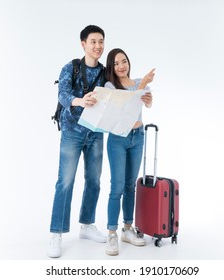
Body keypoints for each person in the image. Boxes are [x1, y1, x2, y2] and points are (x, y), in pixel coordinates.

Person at [48, 25, 107, 258]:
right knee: (65, 182)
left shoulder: (105, 72)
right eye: (93, 41)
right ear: (83, 43)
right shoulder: (70, 67)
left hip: (96, 132)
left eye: (101, 41)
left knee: (94, 180)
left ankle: (87, 225)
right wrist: (80, 101)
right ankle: (56, 233)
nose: (98, 46)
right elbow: (62, 95)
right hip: (72, 132)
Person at [104, 48, 155, 256]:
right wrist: (141, 86)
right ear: (111, 67)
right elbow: (125, 106)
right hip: (118, 139)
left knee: (130, 186)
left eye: (124, 61)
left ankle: (127, 228)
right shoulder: (110, 86)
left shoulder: (137, 83)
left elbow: (145, 103)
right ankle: (111, 233)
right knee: (116, 186)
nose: (121, 66)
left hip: (137, 137)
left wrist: (148, 99)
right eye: (116, 63)